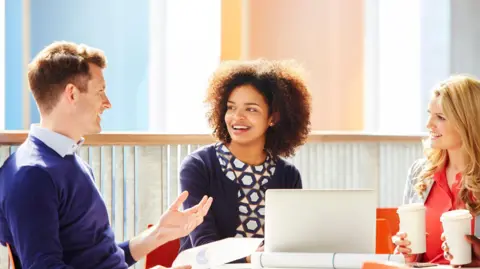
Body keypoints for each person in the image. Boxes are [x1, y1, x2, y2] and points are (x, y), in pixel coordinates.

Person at [0, 41, 213, 269]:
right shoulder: (32, 174)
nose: (107, 103)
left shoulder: (67, 160)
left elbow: (98, 258)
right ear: (71, 93)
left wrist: (160, 234)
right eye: (100, 91)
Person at [178, 59, 312, 262]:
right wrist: (250, 259)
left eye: (251, 109)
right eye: (231, 108)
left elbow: (290, 242)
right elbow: (204, 246)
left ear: (273, 118)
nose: (236, 117)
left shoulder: (288, 175)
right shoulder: (199, 167)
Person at [393, 75, 480, 264]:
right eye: (429, 114)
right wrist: (405, 252)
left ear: (467, 122)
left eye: (440, 117)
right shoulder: (419, 173)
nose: (428, 124)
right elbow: (407, 256)